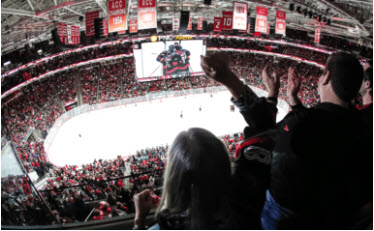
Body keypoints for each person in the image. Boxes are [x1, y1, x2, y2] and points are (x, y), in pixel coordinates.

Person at [133, 52, 281, 229]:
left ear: (173, 177)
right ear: (224, 161)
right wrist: (230, 79)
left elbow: (264, 128)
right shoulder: (246, 199)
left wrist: (139, 219)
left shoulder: (165, 226)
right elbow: (264, 128)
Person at [262, 52, 373, 229]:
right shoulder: (365, 125)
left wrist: (272, 93)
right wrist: (295, 104)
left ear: (326, 77)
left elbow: (263, 135)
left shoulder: (298, 124)